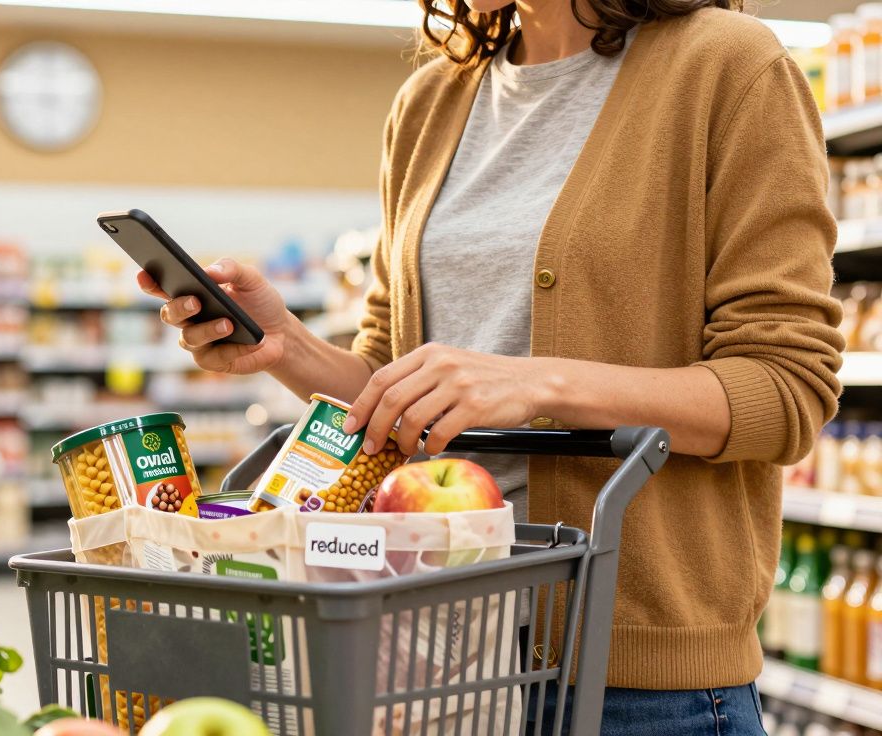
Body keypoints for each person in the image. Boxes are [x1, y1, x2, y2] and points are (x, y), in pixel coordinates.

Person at [141, 0, 843, 732]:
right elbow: (391, 381)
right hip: (430, 656)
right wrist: (287, 345)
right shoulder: (432, 101)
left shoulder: (729, 65)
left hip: (632, 684)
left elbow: (784, 388)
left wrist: (536, 381)